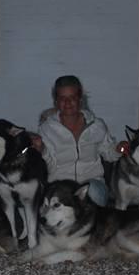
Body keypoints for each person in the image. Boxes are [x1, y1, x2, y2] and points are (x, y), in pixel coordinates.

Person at [32, 75, 127, 206]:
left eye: (72, 97)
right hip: (60, 187)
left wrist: (119, 149)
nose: (68, 103)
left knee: (92, 192)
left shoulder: (96, 125)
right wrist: (41, 150)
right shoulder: (46, 129)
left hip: (92, 184)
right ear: (56, 101)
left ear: (80, 99)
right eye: (62, 98)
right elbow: (49, 167)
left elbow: (109, 153)